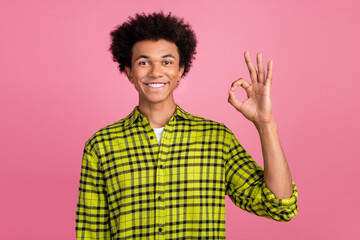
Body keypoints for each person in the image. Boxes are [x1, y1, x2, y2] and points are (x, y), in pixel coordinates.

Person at [75, 12, 298, 240]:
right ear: (129, 72)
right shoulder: (101, 146)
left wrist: (265, 124)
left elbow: (281, 207)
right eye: (144, 62)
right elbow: (91, 234)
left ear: (180, 71)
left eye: (167, 62)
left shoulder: (216, 140)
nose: (155, 72)